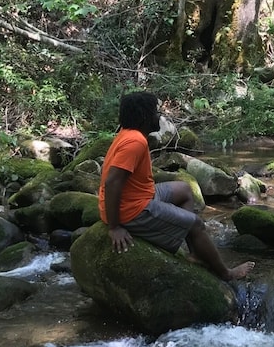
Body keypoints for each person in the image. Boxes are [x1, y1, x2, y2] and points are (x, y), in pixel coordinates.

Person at [98, 91, 254, 281]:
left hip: (138, 197)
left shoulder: (128, 134)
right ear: (145, 117)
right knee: (196, 223)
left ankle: (195, 252)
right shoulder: (135, 142)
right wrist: (115, 227)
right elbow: (112, 181)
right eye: (156, 112)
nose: (159, 116)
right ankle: (226, 273)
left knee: (185, 190)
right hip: (131, 211)